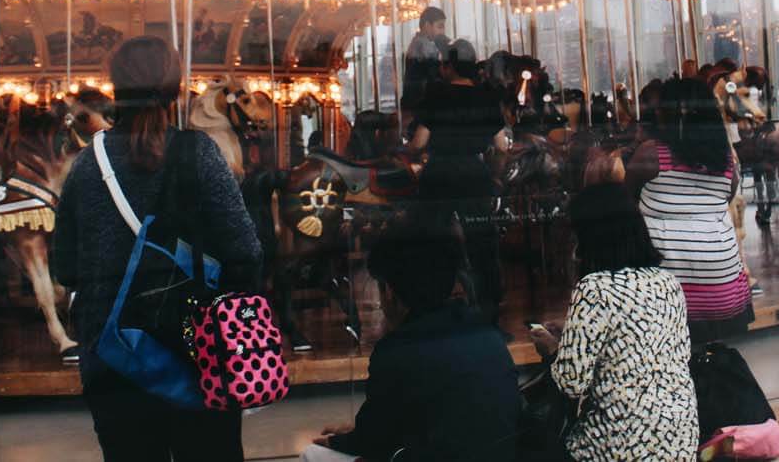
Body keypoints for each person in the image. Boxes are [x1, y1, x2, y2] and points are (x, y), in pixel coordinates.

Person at [53, 37, 263, 462]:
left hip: (114, 356)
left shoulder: (89, 162)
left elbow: (65, 266)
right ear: (175, 88)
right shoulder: (199, 153)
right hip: (197, 351)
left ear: (114, 88)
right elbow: (246, 251)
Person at [302, 223, 519, 462]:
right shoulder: (487, 333)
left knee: (313, 454)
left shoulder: (396, 352)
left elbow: (374, 439)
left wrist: (339, 441)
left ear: (390, 293)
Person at [530, 183, 698, 462]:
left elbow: (571, 382)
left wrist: (552, 348)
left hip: (618, 445)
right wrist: (573, 334)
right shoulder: (667, 282)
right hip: (680, 440)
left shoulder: (594, 289)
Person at [625, 82, 755, 341]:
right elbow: (725, 198)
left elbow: (626, 198)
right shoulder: (727, 163)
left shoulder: (651, 155)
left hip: (667, 294)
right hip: (723, 286)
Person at [409, 39, 507, 318]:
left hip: (440, 172)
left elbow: (419, 142)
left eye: (443, 62)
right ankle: (489, 305)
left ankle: (431, 301)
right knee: (483, 242)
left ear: (450, 66)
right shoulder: (487, 97)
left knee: (429, 236)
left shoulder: (436, 95)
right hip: (474, 174)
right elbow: (501, 147)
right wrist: (496, 175)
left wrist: (410, 151)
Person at [402, 5, 448, 112]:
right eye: (440, 26)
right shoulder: (423, 45)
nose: (443, 31)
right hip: (421, 101)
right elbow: (435, 73)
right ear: (427, 25)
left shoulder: (417, 42)